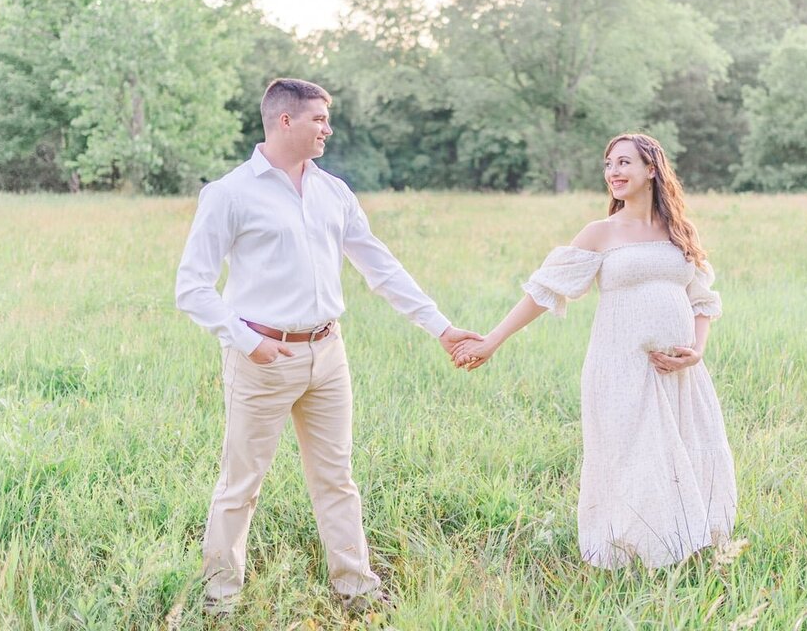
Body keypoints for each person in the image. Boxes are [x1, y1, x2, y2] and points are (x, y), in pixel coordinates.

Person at [175, 78, 480, 614]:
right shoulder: (229, 193)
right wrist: (248, 342)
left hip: (328, 355)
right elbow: (192, 287)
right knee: (241, 483)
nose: (328, 128)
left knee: (337, 478)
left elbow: (380, 267)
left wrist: (442, 327)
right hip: (262, 359)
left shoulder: (333, 191)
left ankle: (357, 588)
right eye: (319, 118)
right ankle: (220, 598)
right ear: (285, 121)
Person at [452, 133, 736, 569]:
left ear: (652, 170)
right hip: (620, 367)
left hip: (678, 372)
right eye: (608, 164)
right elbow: (544, 291)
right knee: (635, 457)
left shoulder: (680, 231)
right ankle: (630, 554)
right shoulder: (601, 233)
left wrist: (696, 351)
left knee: (686, 451)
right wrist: (492, 340)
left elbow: (702, 300)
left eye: (624, 163)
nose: (614, 172)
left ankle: (686, 547)